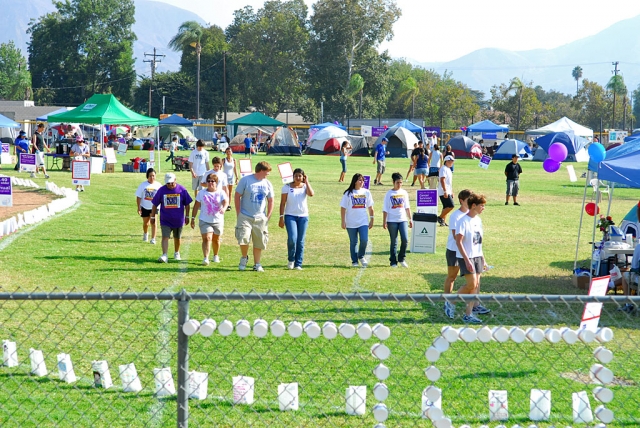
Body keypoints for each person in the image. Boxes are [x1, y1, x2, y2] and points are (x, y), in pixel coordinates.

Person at [455, 193, 488, 324]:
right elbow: (459, 242)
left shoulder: (478, 220)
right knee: (472, 284)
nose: (483, 208)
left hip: (477, 256)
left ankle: (468, 313)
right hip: (466, 258)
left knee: (476, 285)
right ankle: (451, 300)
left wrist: (483, 258)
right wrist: (467, 260)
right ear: (473, 206)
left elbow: (478, 242)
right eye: (482, 205)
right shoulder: (463, 221)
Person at [235, 161, 274, 272]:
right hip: (245, 216)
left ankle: (257, 264)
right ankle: (244, 258)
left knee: (259, 241)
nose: (268, 174)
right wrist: (239, 212)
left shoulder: (267, 184)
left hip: (260, 217)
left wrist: (268, 215)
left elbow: (271, 200)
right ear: (261, 170)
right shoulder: (245, 180)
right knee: (244, 238)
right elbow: (237, 195)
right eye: (267, 172)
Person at [151, 172, 193, 263]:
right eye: (168, 183)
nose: (170, 185)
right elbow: (154, 204)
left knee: (177, 237)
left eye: (171, 183)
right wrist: (152, 217)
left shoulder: (182, 190)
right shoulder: (161, 190)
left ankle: (177, 252)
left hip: (178, 220)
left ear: (175, 180)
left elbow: (187, 204)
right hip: (165, 220)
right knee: (165, 237)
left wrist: (187, 216)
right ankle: (164, 255)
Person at [443, 189, 472, 319]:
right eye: (468, 200)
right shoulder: (456, 215)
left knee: (472, 280)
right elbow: (456, 236)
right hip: (454, 250)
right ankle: (447, 302)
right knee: (452, 277)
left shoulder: (471, 214)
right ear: (461, 201)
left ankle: (473, 306)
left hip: (467, 251)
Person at [279, 168, 315, 270]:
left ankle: (298, 263)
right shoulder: (286, 187)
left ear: (303, 177)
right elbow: (282, 203)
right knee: (292, 238)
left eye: (300, 176)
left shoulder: (304, 187)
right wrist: (281, 217)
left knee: (300, 241)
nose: (298, 178)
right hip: (290, 216)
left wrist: (307, 182)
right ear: (293, 177)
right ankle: (291, 259)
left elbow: (311, 194)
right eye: (296, 176)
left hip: (303, 216)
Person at [192, 173, 228, 265]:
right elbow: (196, 206)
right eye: (209, 181)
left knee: (216, 239)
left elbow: (225, 202)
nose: (210, 183)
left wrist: (223, 208)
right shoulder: (202, 193)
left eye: (213, 181)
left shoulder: (221, 192)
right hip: (205, 220)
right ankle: (206, 258)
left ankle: (216, 255)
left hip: (218, 220)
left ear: (216, 183)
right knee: (207, 238)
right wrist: (192, 218)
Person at [340, 173, 374, 267]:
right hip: (351, 222)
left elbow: (370, 207)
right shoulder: (348, 193)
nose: (362, 182)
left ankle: (361, 255)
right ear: (355, 181)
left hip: (363, 221)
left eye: (363, 180)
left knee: (364, 239)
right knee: (353, 242)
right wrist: (343, 221)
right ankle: (354, 261)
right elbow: (343, 208)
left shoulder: (366, 192)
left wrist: (372, 219)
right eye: (360, 180)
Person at [382, 172, 412, 268]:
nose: (399, 184)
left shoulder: (404, 193)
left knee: (405, 240)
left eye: (401, 182)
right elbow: (385, 209)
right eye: (397, 182)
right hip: (392, 220)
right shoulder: (389, 194)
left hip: (403, 219)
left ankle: (401, 258)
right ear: (393, 182)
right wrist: (384, 221)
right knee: (394, 241)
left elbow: (407, 207)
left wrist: (410, 219)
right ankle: (393, 261)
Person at [135, 168, 162, 245]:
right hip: (145, 207)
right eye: (150, 176)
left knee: (154, 222)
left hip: (155, 207)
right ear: (147, 176)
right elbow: (138, 197)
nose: (152, 177)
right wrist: (139, 207)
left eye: (153, 176)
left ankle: (153, 238)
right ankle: (145, 234)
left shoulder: (158, 185)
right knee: (146, 223)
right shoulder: (143, 185)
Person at [437, 155, 455, 226]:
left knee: (446, 206)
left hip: (448, 190)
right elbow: (442, 180)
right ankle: (440, 217)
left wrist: (451, 191)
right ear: (447, 161)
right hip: (443, 191)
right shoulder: (443, 169)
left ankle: (443, 221)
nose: (452, 162)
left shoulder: (448, 169)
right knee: (451, 205)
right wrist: (445, 191)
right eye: (451, 161)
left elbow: (449, 183)